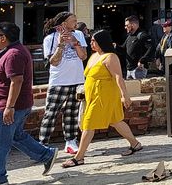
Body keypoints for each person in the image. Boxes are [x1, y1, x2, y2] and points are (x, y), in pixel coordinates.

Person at [0, 22, 58, 184]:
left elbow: (16, 81)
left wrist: (9, 107)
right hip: (13, 105)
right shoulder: (9, 52)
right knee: (16, 136)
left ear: (4, 38)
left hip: (9, 106)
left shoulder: (14, 54)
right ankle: (46, 155)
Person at [61, 30, 142, 168]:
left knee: (88, 124)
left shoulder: (110, 57)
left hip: (104, 96)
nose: (91, 43)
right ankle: (135, 144)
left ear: (101, 41)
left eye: (94, 40)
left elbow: (118, 77)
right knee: (115, 120)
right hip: (92, 95)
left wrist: (125, 95)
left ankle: (79, 157)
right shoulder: (94, 56)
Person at [39, 12, 87, 155]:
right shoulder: (50, 39)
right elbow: (53, 62)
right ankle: (42, 144)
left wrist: (74, 42)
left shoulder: (78, 34)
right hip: (58, 81)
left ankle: (71, 141)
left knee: (72, 112)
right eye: (74, 21)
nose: (76, 23)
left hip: (77, 80)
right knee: (51, 113)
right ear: (64, 23)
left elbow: (83, 56)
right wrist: (61, 44)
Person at [121, 16, 152, 80]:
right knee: (130, 89)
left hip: (138, 69)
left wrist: (142, 60)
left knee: (139, 89)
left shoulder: (142, 35)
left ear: (133, 25)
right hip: (129, 69)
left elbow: (151, 48)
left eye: (127, 25)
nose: (125, 27)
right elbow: (123, 49)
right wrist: (114, 46)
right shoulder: (129, 37)